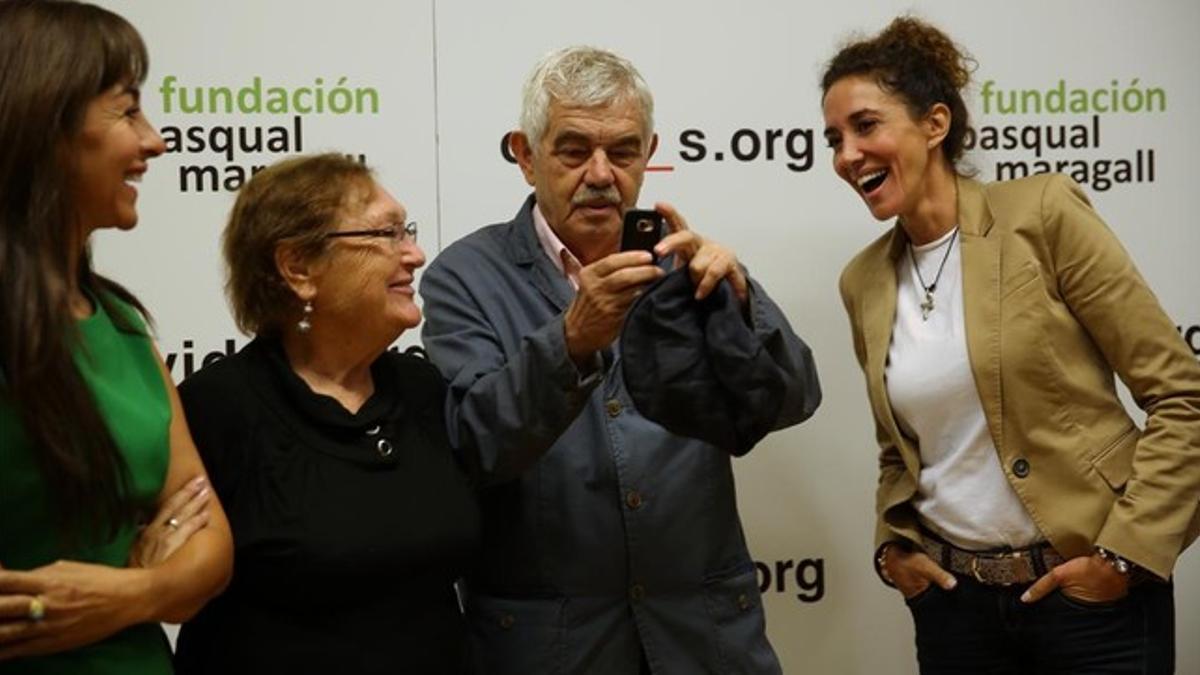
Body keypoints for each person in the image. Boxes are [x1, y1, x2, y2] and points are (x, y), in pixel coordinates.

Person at [420, 46, 821, 674]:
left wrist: (741, 300)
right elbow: (476, 443)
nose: (602, 174)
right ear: (526, 156)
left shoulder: (687, 263)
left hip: (703, 641)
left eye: (624, 151)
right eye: (574, 150)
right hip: (552, 648)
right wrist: (571, 339)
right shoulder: (464, 277)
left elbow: (793, 400)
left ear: (649, 153)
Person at [823, 16, 1200, 674]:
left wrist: (1124, 555)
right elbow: (900, 451)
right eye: (833, 138)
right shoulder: (863, 281)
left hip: (1090, 606)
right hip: (954, 613)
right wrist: (894, 548)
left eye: (865, 125)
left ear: (935, 124)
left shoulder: (1042, 214)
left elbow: (1181, 395)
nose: (846, 155)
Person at [171, 153, 481, 675]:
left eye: (406, 231)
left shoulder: (423, 387)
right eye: (386, 234)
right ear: (298, 268)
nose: (415, 254)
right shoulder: (217, 409)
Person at [0, 1, 234, 672]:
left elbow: (209, 544)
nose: (155, 140)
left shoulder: (123, 324)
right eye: (127, 110)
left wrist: (130, 592)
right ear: (45, 120)